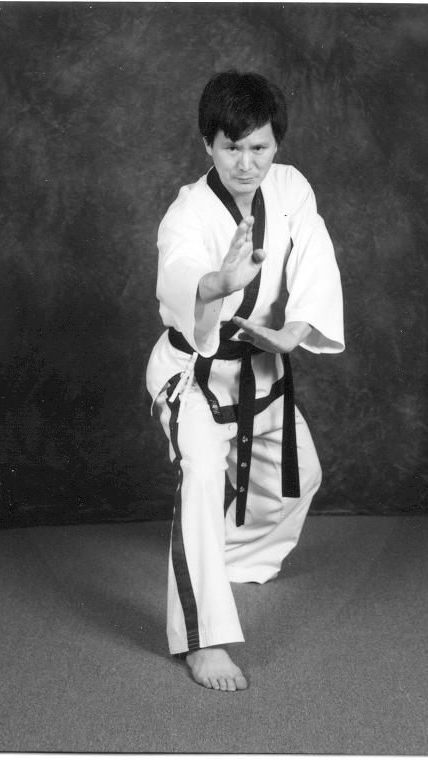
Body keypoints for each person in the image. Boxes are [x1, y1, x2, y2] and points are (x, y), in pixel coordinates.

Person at [146, 70, 344, 691]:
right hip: (193, 372)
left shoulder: (289, 187)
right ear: (208, 144)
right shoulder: (186, 213)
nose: (246, 162)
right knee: (203, 477)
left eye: (259, 147)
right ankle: (203, 640)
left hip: (259, 366)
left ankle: (233, 559)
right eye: (231, 147)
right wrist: (218, 284)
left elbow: (314, 255)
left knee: (300, 477)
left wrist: (295, 329)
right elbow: (181, 276)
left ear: (275, 144)